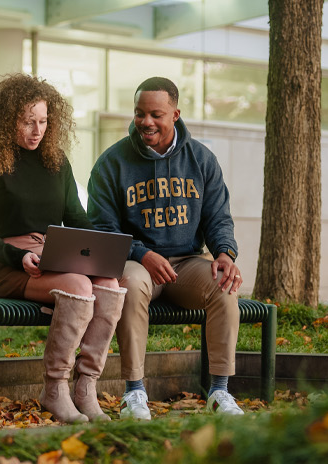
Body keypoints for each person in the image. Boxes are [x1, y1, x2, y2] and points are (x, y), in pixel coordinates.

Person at [0, 74, 126, 424]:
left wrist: (105, 249)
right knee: (80, 287)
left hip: (54, 257)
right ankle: (55, 388)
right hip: (9, 263)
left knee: (110, 284)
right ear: (8, 120)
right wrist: (18, 256)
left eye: (43, 122)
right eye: (28, 122)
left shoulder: (57, 162)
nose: (36, 130)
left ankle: (86, 386)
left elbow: (77, 219)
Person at [87, 77, 245, 419]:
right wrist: (141, 253)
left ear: (175, 114)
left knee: (224, 286)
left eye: (155, 114)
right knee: (127, 286)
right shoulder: (112, 163)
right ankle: (134, 393)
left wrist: (224, 253)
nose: (146, 122)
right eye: (140, 113)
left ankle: (219, 391)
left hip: (188, 262)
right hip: (137, 261)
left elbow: (218, 217)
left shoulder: (201, 160)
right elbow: (102, 228)